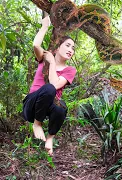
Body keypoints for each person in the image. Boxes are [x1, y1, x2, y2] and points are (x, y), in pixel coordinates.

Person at [22, 15, 77, 156]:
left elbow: (55, 84)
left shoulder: (70, 70)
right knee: (47, 89)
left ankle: (50, 138)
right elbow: (36, 45)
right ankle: (37, 124)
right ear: (57, 48)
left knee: (61, 107)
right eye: (67, 45)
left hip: (49, 107)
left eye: (73, 48)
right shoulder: (45, 58)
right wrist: (44, 26)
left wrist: (52, 63)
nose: (71, 49)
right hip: (32, 105)